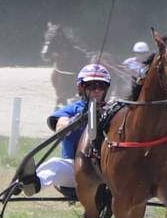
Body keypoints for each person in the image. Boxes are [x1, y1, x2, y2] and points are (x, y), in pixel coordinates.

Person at [22, 63, 111, 196]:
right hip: (75, 170)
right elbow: (60, 127)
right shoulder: (73, 109)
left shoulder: (113, 109)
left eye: (101, 86)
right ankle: (33, 183)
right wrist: (76, 120)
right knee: (54, 164)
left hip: (108, 171)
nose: (97, 90)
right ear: (81, 87)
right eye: (92, 86)